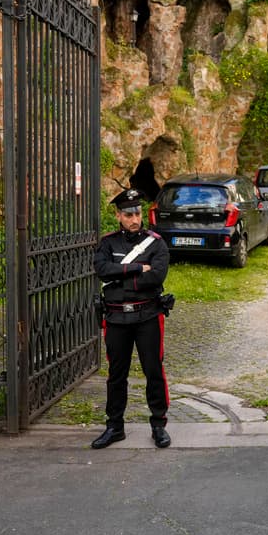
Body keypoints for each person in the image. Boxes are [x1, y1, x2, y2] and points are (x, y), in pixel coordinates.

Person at [91, 188, 173, 450]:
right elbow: (102, 271)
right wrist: (137, 268)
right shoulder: (108, 243)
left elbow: (157, 276)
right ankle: (115, 426)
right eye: (128, 214)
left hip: (148, 316)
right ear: (118, 215)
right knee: (116, 375)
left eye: (137, 213)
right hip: (116, 318)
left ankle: (158, 424)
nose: (134, 218)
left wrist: (122, 279)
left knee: (153, 370)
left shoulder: (156, 243)